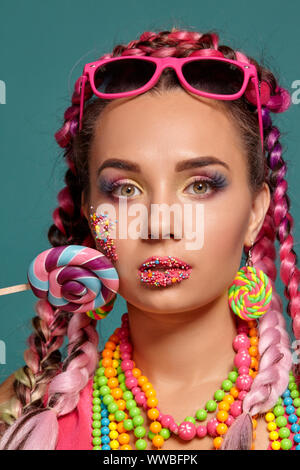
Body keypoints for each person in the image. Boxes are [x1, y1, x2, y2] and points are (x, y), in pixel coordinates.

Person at [0, 26, 299, 451]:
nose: (159, 226)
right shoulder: (19, 414)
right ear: (90, 213)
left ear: (255, 213)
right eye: (124, 189)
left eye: (199, 186)